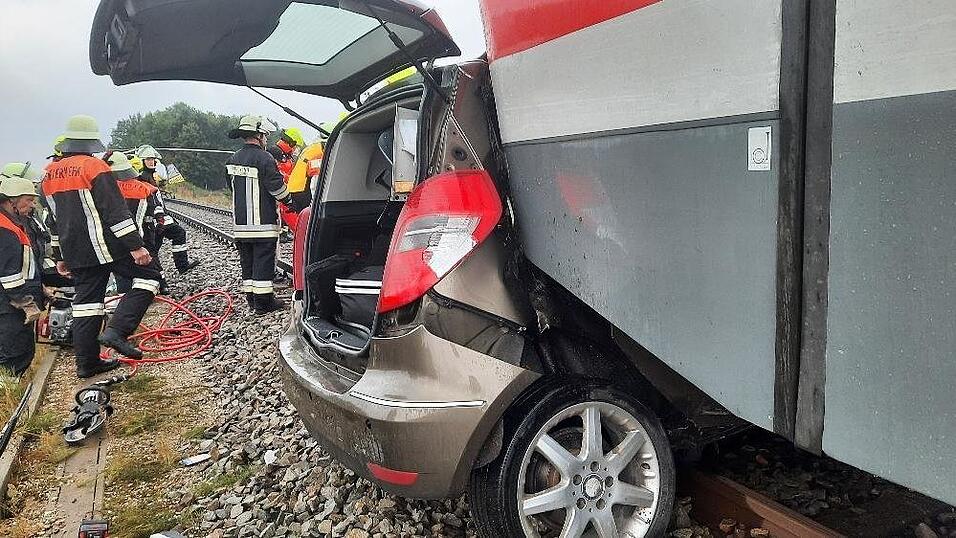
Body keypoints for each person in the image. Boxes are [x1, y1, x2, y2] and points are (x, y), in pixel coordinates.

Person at [42, 115, 162, 378]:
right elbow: (115, 212)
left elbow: (54, 220)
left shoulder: (48, 175)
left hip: (76, 251)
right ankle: (117, 331)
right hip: (105, 246)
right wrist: (136, 246)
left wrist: (59, 255)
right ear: (90, 141)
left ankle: (87, 363)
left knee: (87, 304)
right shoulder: (94, 167)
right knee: (150, 277)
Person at [225, 115, 295, 314]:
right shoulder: (265, 158)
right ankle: (264, 303)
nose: (266, 139)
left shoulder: (232, 159)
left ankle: (252, 300)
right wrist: (290, 201)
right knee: (263, 263)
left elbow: (232, 188)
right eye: (265, 136)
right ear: (259, 135)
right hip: (263, 224)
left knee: (247, 263)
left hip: (240, 225)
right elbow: (277, 189)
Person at [0, 171, 43, 376]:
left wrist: (42, 287)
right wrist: (27, 303)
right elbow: (8, 274)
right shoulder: (5, 228)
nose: (33, 205)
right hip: (7, 304)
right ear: (11, 202)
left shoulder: (13, 224)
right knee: (14, 354)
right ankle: (7, 396)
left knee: (21, 351)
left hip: (9, 301)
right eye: (29, 200)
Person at [105, 151, 167, 294]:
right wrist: (159, 221)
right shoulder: (142, 187)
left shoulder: (106, 189)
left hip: (117, 241)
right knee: (149, 272)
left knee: (123, 277)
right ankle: (154, 290)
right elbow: (155, 207)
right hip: (139, 235)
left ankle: (124, 300)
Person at [135, 145, 200, 274]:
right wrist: (159, 220)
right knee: (153, 250)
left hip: (159, 221)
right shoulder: (142, 179)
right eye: (148, 159)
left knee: (178, 233)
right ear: (141, 161)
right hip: (152, 223)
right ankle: (158, 280)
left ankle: (182, 265)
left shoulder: (151, 177)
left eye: (153, 159)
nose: (152, 162)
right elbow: (150, 203)